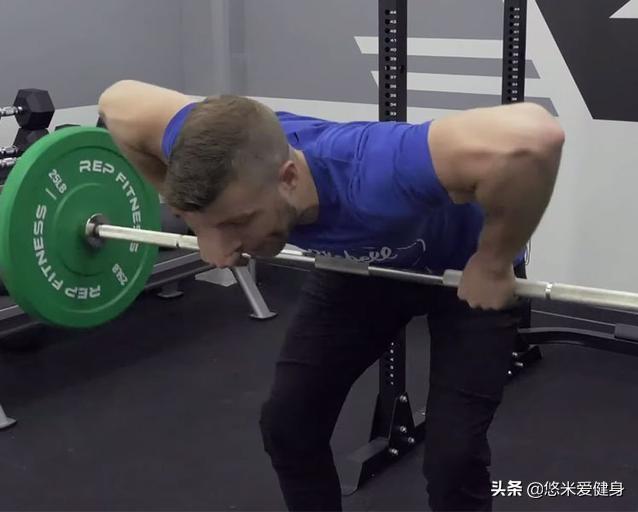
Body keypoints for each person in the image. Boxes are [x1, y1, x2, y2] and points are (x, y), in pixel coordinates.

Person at [98, 80, 564, 511]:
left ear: (288, 177)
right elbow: (117, 102)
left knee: (453, 459)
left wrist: (493, 260)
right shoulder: (209, 146)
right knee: (289, 426)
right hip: (359, 270)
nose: (224, 249)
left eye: (239, 222)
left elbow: (535, 137)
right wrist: (202, 222)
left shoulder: (375, 168)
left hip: (467, 274)